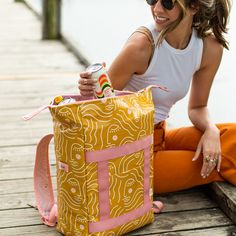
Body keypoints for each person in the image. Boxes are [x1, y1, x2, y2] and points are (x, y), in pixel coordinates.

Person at [78, 0, 236, 195]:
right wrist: (89, 92)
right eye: (153, 0)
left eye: (169, 3)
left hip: (160, 136)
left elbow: (197, 107)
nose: (157, 9)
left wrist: (210, 130)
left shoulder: (208, 48)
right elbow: (96, 111)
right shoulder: (141, 46)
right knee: (218, 163)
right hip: (128, 154)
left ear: (194, 7)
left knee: (232, 137)